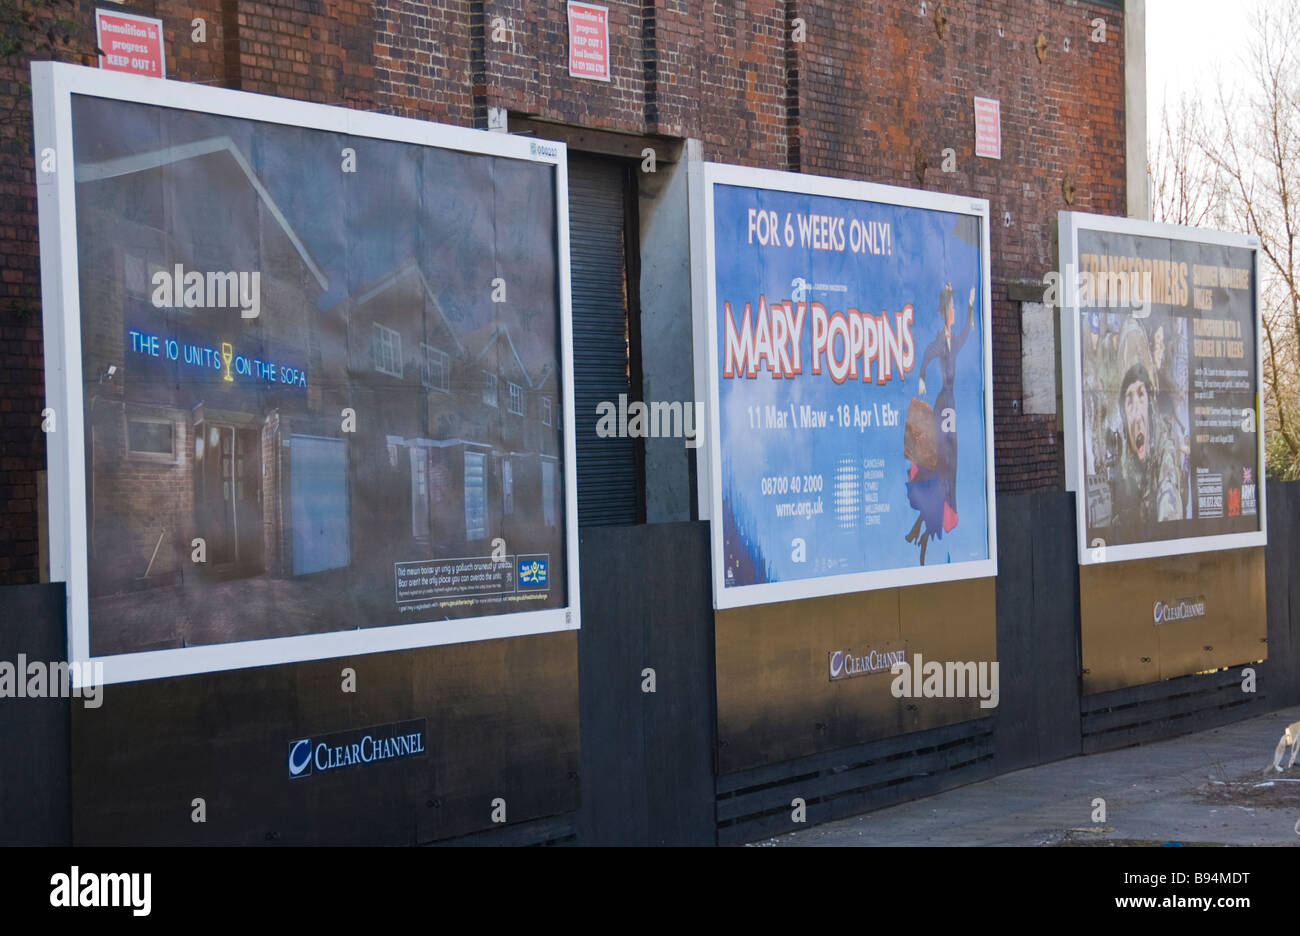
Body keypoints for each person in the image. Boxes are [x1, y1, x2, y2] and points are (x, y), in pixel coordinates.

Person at [905, 282, 975, 565]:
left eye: (956, 307)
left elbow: (967, 333)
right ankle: (921, 526)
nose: (954, 311)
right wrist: (921, 379)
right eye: (954, 307)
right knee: (938, 467)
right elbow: (924, 360)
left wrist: (971, 306)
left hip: (950, 410)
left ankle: (920, 528)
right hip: (941, 409)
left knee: (947, 469)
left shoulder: (951, 342)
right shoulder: (938, 342)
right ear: (946, 310)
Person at [1111, 362, 1183, 538]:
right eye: (1129, 402)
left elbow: (1168, 490)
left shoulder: (1164, 449)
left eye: (1141, 396)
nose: (1136, 417)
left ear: (1151, 407)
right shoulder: (1124, 460)